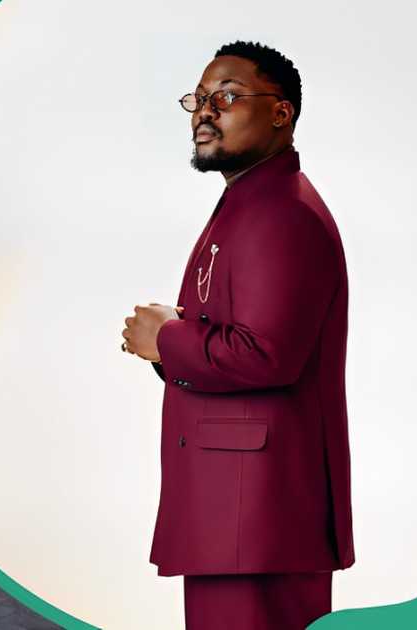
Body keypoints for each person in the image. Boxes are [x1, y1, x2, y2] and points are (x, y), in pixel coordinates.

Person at [119, 41, 353, 630]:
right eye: (197, 100)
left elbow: (267, 355)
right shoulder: (250, 201)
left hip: (259, 517)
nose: (204, 111)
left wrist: (166, 341)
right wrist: (171, 343)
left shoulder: (283, 214)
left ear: (282, 112)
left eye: (225, 96)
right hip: (238, 512)